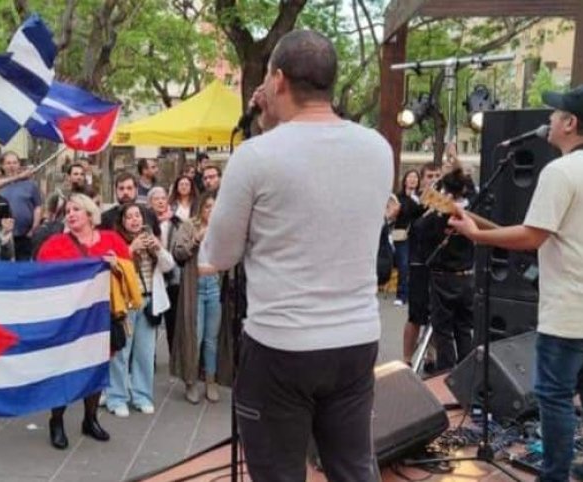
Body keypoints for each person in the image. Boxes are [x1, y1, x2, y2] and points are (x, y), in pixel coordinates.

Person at [202, 30, 392, 481]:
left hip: (281, 346)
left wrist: (264, 132)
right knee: (353, 467)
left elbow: (220, 254)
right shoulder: (378, 148)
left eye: (267, 78)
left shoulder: (256, 156)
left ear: (279, 80)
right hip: (356, 340)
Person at [449, 84, 583, 482]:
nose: (547, 120)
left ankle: (553, 476)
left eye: (554, 114)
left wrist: (476, 234)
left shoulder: (562, 170)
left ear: (569, 123)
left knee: (553, 394)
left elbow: (532, 236)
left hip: (575, 307)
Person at [36, 194, 128, 450]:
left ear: (90, 214)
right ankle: (57, 421)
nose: (71, 213)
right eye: (67, 210)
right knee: (64, 369)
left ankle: (90, 419)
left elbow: (128, 272)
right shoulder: (54, 245)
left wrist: (116, 264)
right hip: (69, 320)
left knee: (96, 368)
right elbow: (42, 280)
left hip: (101, 318)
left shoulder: (111, 240)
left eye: (77, 209)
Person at [105, 203, 173, 417]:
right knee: (121, 354)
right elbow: (110, 266)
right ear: (123, 222)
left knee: (144, 353)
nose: (135, 220)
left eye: (138, 216)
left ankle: (142, 395)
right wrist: (130, 249)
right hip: (125, 304)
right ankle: (117, 397)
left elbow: (169, 266)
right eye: (130, 217)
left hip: (149, 302)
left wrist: (158, 249)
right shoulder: (117, 242)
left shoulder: (151, 239)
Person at [413, 168, 475, 371]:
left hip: (442, 277)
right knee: (464, 329)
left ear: (444, 190)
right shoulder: (473, 211)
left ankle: (446, 374)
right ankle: (467, 374)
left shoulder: (438, 213)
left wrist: (433, 209)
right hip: (467, 276)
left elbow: (419, 229)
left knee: (443, 331)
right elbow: (473, 190)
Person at [172, 193, 230, 404]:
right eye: (207, 207)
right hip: (195, 287)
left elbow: (232, 255)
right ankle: (191, 381)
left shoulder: (222, 228)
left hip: (214, 285)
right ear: (200, 209)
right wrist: (197, 239)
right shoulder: (188, 226)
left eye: (214, 208)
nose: (211, 212)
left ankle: (211, 380)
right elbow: (178, 253)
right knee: (193, 336)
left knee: (211, 338)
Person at [403, 163, 441, 367]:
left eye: (437, 175)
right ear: (422, 179)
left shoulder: (443, 201)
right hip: (419, 263)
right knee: (416, 314)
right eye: (429, 176)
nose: (433, 179)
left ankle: (431, 356)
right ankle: (407, 359)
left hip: (439, 264)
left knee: (437, 314)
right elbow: (414, 223)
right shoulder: (414, 201)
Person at [148, 187, 185, 357]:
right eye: (157, 199)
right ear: (150, 202)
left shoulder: (176, 222)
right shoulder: (146, 223)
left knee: (173, 321)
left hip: (173, 277)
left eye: (164, 198)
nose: (161, 201)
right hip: (152, 277)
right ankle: (151, 357)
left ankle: (174, 359)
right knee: (152, 321)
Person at [0, 152, 43, 261]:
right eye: (8, 163)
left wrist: (34, 228)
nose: (11, 166)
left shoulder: (30, 185)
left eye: (14, 162)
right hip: (3, 236)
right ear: (2, 166)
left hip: (25, 236)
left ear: (19, 164)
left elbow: (38, 206)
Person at [392, 169, 421, 306]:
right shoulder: (398, 197)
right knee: (403, 265)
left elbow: (420, 213)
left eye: (415, 177)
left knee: (413, 265)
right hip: (401, 234)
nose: (413, 180)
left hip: (416, 235)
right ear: (405, 180)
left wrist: (414, 199)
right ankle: (401, 295)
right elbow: (395, 215)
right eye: (410, 177)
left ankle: (411, 295)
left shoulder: (420, 197)